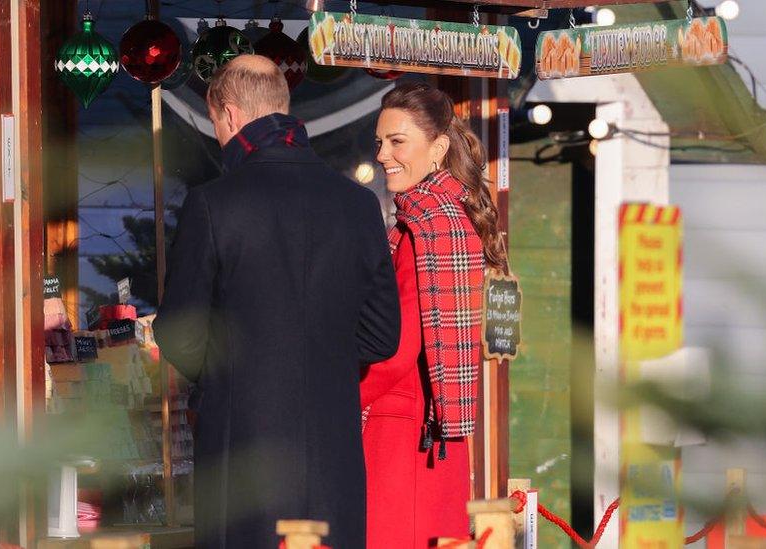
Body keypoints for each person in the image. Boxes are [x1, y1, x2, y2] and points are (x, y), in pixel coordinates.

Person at [154, 55, 401, 549]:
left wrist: (231, 375)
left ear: (227, 114)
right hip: (331, 446)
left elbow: (179, 329)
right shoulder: (358, 205)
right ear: (283, 108)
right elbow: (380, 335)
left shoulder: (214, 203)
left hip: (242, 448)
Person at [361, 82, 508, 548]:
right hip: (435, 435)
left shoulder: (429, 226)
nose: (384, 154)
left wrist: (333, 393)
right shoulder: (442, 217)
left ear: (438, 148)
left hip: (404, 438)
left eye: (397, 141)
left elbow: (399, 347)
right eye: (380, 142)